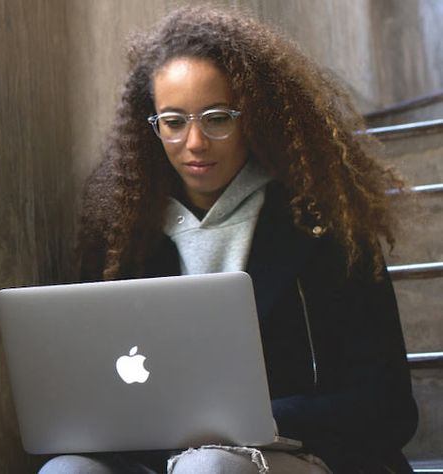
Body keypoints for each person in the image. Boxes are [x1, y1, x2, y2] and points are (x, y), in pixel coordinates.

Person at [39, 5, 418, 474]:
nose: (194, 142)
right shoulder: (121, 237)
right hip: (157, 456)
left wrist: (250, 424)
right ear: (150, 126)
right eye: (173, 122)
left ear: (254, 117)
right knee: (66, 470)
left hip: (297, 452)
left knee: (210, 467)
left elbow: (390, 405)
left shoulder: (322, 225)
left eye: (217, 118)